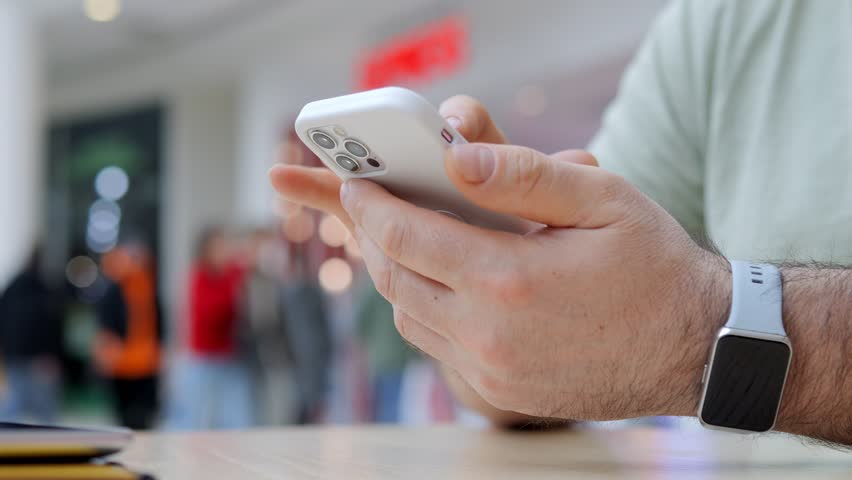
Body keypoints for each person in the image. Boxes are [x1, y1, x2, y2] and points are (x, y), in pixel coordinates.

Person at [270, 0, 852, 446]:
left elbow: (660, 316)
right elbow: (542, 383)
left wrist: (702, 326)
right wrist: (504, 295)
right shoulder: (725, 20)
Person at [169, 227, 254, 429]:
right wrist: (233, 282)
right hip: (202, 357)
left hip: (230, 355)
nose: (225, 251)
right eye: (219, 247)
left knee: (238, 417)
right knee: (192, 418)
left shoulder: (234, 272)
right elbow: (212, 312)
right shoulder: (198, 276)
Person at [94, 244, 164, 430]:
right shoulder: (113, 289)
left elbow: (158, 323)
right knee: (125, 417)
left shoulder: (148, 288)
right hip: (122, 363)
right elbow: (106, 325)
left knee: (143, 416)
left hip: (145, 363)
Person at [0, 248, 64, 423]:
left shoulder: (10, 289)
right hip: (39, 359)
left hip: (14, 356)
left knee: (14, 403)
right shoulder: (44, 292)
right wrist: (52, 355)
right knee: (45, 409)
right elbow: (51, 328)